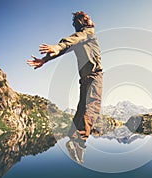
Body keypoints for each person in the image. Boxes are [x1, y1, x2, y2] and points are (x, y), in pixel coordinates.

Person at [27, 11, 103, 140]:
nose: (90, 19)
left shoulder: (81, 37)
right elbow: (70, 41)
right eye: (87, 18)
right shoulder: (88, 32)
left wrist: (45, 60)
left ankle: (73, 137)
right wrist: (58, 46)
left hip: (85, 78)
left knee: (82, 108)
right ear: (82, 22)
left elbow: (65, 47)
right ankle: (78, 141)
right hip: (94, 75)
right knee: (92, 106)